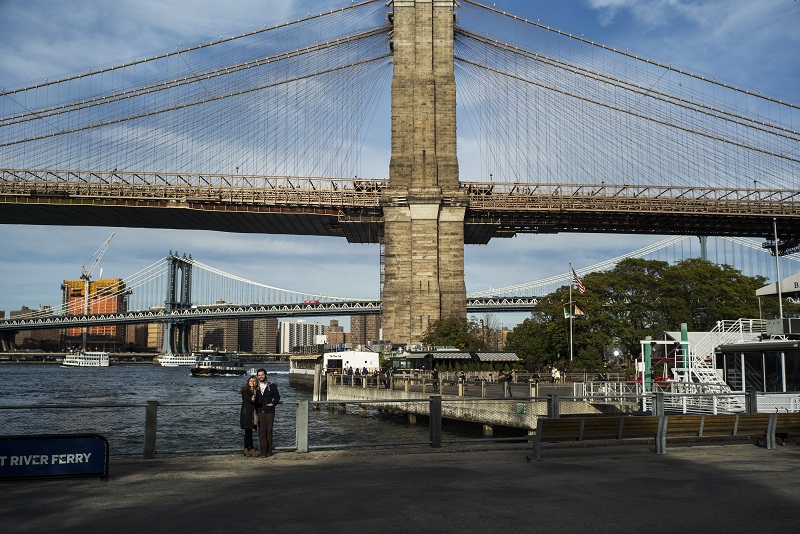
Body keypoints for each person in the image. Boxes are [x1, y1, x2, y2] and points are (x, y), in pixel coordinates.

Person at [255, 368, 280, 457]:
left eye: (262, 375)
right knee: (261, 432)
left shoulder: (272, 386)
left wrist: (273, 404)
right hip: (259, 411)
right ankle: (263, 452)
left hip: (269, 411)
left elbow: (277, 397)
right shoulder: (256, 386)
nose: (260, 376)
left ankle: (269, 451)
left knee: (269, 432)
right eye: (259, 375)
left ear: (266, 375)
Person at [239, 375, 258, 457]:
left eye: (254, 381)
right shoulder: (245, 390)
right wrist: (252, 398)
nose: (252, 383)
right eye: (251, 381)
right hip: (246, 413)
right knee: (248, 431)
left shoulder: (257, 390)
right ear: (248, 382)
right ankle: (252, 449)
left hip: (253, 413)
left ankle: (246, 449)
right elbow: (248, 399)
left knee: (248, 432)